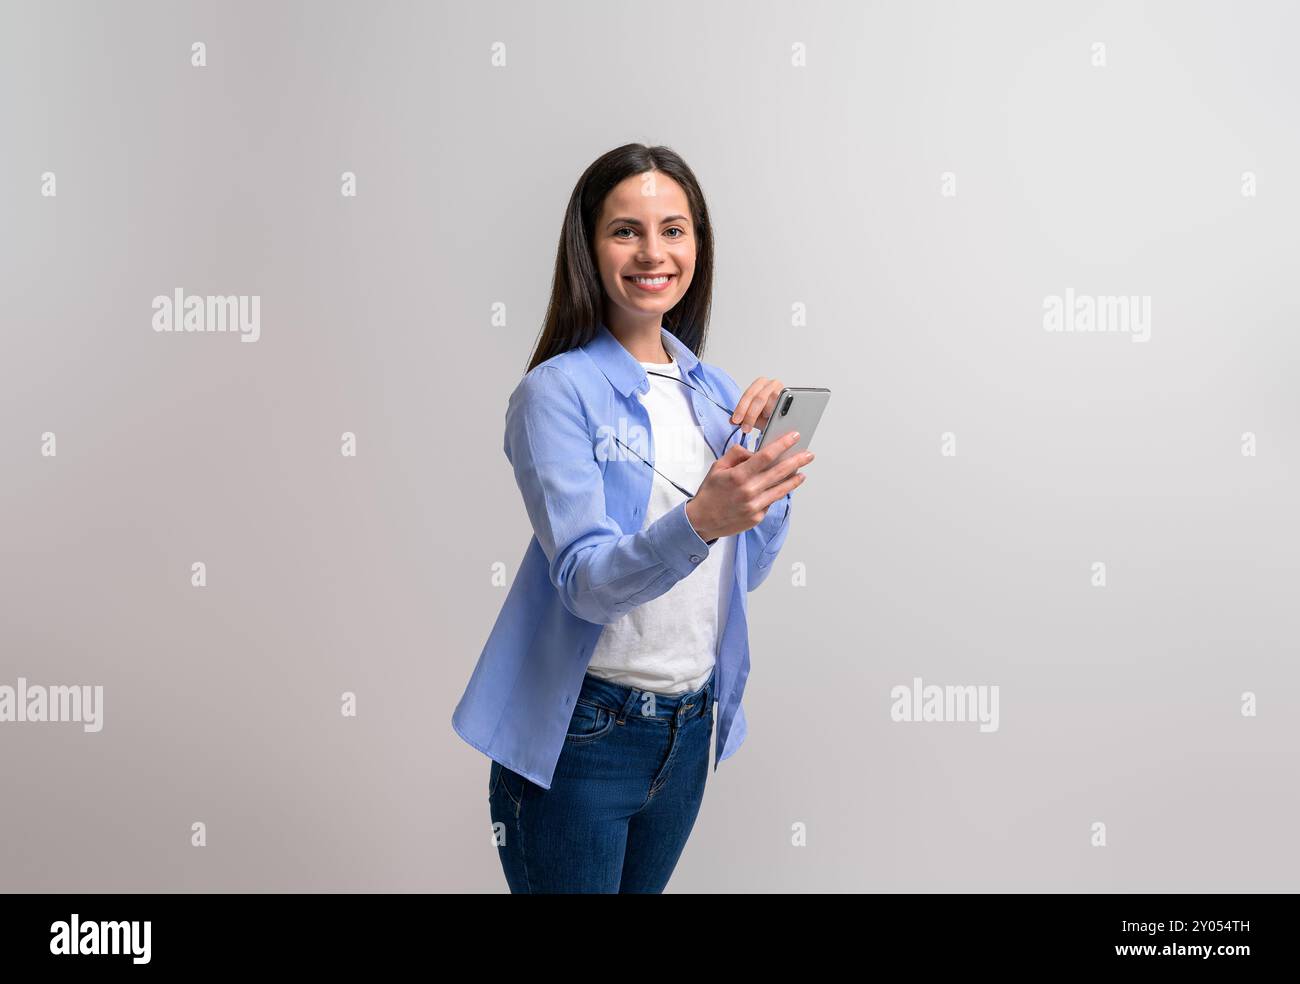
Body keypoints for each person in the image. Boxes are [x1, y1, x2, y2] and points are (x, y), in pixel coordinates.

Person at [451, 143, 814, 892]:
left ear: (698, 245)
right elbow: (583, 581)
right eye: (626, 230)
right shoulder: (555, 394)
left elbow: (745, 575)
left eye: (674, 229)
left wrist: (767, 485)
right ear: (588, 247)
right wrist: (702, 520)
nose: (654, 251)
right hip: (587, 736)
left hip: (687, 731)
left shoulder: (715, 392)